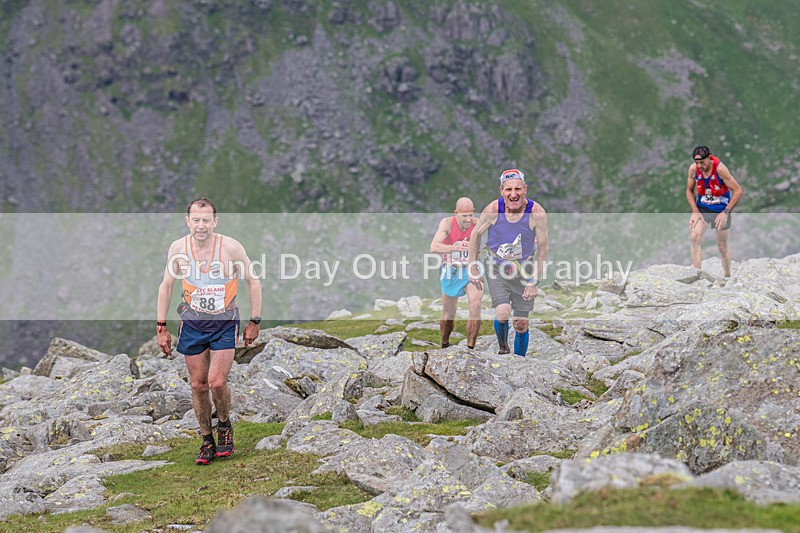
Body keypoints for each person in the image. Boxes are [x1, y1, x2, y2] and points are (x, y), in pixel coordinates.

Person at [156, 197, 262, 465]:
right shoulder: (178, 248)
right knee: (198, 385)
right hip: (192, 323)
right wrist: (161, 327)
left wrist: (254, 321)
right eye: (195, 219)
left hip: (225, 321)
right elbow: (167, 285)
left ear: (215, 221)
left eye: (206, 220)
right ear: (187, 221)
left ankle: (224, 425)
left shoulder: (231, 247)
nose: (200, 225)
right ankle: (206, 439)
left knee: (216, 381)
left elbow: (253, 280)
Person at [468, 169, 549, 356]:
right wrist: (472, 265)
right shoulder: (493, 210)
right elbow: (476, 234)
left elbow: (543, 251)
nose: (514, 194)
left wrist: (533, 282)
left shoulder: (536, 213)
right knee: (503, 312)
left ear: (525, 189)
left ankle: (519, 363)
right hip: (496, 267)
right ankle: (503, 349)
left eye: (518, 189)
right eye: (509, 190)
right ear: (501, 191)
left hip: (524, 268)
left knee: (521, 323)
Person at [429, 197, 483, 349]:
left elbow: (499, 232)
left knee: (475, 306)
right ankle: (444, 344)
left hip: (471, 268)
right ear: (456, 213)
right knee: (448, 316)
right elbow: (434, 247)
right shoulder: (447, 223)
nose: (468, 219)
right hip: (451, 271)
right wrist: (455, 248)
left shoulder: (478, 224)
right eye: (464, 216)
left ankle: (470, 348)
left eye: (470, 215)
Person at [686, 146, 744, 277]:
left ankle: (728, 275)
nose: (699, 165)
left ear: (710, 158)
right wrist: (695, 211)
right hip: (703, 208)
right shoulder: (693, 170)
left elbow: (738, 191)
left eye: (702, 162)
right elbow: (689, 190)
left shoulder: (720, 169)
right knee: (694, 238)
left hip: (721, 210)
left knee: (722, 246)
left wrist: (726, 212)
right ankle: (697, 275)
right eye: (697, 162)